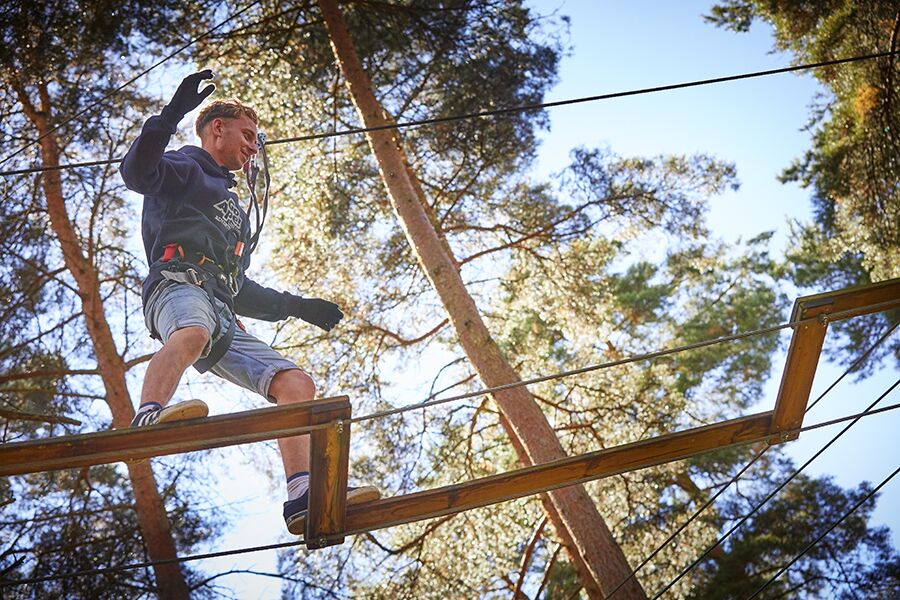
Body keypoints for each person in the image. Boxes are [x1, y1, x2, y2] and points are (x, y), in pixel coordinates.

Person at [119, 69, 379, 535]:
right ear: (216, 128)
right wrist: (172, 115)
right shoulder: (186, 166)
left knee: (296, 384)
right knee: (191, 334)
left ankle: (301, 494)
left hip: (220, 307)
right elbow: (137, 173)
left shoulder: (233, 208)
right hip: (177, 285)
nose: (252, 146)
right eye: (247, 134)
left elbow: (240, 288)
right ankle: (149, 417)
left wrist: (299, 306)